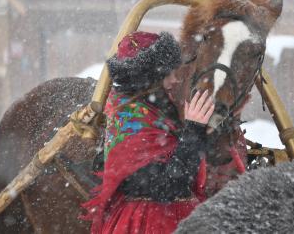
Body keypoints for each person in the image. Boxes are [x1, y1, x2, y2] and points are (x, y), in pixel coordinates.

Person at [81, 31, 216, 234]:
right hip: (146, 224)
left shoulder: (157, 111)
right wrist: (193, 130)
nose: (175, 79)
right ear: (150, 77)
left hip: (171, 220)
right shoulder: (130, 122)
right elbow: (168, 185)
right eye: (168, 72)